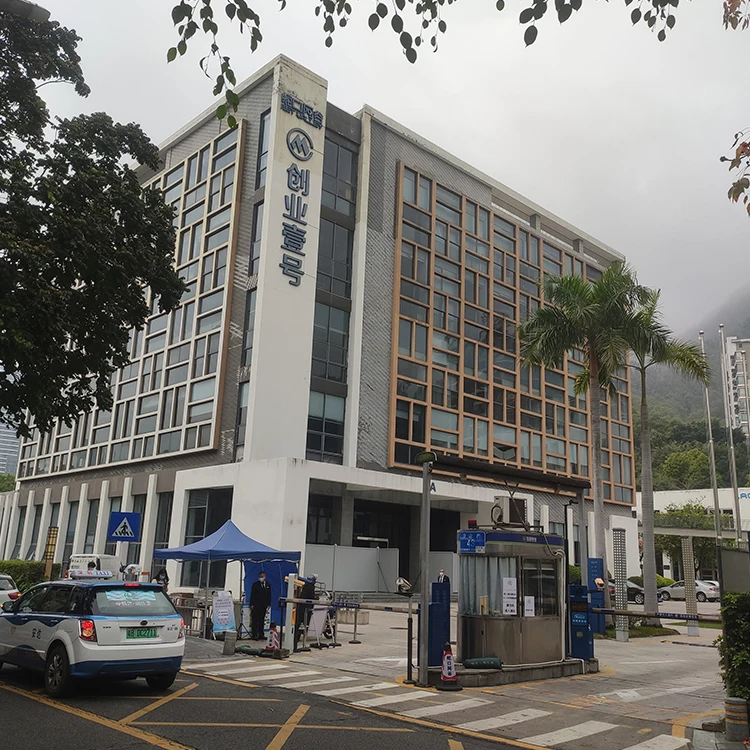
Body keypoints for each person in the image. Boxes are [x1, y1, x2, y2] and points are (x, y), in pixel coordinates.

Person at [295, 574, 318, 649]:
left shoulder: (304, 585)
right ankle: (299, 636)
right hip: (305, 607)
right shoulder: (310, 586)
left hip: (301, 606)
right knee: (304, 622)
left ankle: (297, 637)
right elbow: (311, 596)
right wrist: (316, 599)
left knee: (299, 622)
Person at [249, 571, 272, 640]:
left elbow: (269, 595)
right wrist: (252, 604)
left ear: (265, 577)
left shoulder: (268, 585)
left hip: (264, 605)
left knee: (262, 620)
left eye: (263, 576)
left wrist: (268, 604)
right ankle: (254, 635)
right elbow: (252, 595)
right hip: (256, 605)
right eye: (260, 577)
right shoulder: (255, 585)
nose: (261, 578)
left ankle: (261, 634)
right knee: (255, 620)